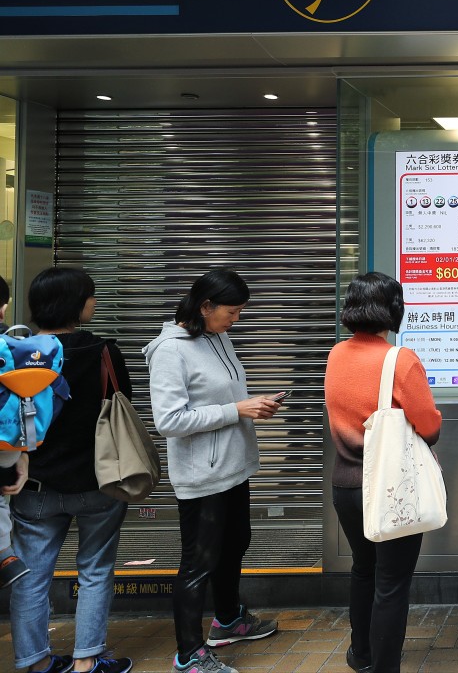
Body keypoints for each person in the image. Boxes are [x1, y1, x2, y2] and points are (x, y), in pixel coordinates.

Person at [144, 269, 281, 673]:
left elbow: (223, 394)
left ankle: (227, 619)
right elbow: (169, 420)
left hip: (232, 467)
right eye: (232, 312)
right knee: (198, 561)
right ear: (205, 306)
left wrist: (252, 404)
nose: (236, 319)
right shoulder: (170, 351)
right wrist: (236, 409)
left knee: (236, 542)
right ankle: (188, 654)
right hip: (202, 476)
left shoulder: (216, 335)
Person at [9, 269, 133, 673]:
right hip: (97, 482)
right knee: (95, 570)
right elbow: (122, 405)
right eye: (91, 297)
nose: (94, 304)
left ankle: (37, 662)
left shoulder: (17, 352)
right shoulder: (103, 352)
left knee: (30, 575)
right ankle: (86, 661)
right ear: (77, 305)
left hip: (33, 485)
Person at [325, 272, 443, 673]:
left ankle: (361, 654)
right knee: (391, 584)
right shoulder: (400, 360)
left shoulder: (337, 354)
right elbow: (429, 427)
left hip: (346, 486)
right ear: (393, 309)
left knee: (364, 569)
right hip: (390, 487)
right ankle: (385, 666)